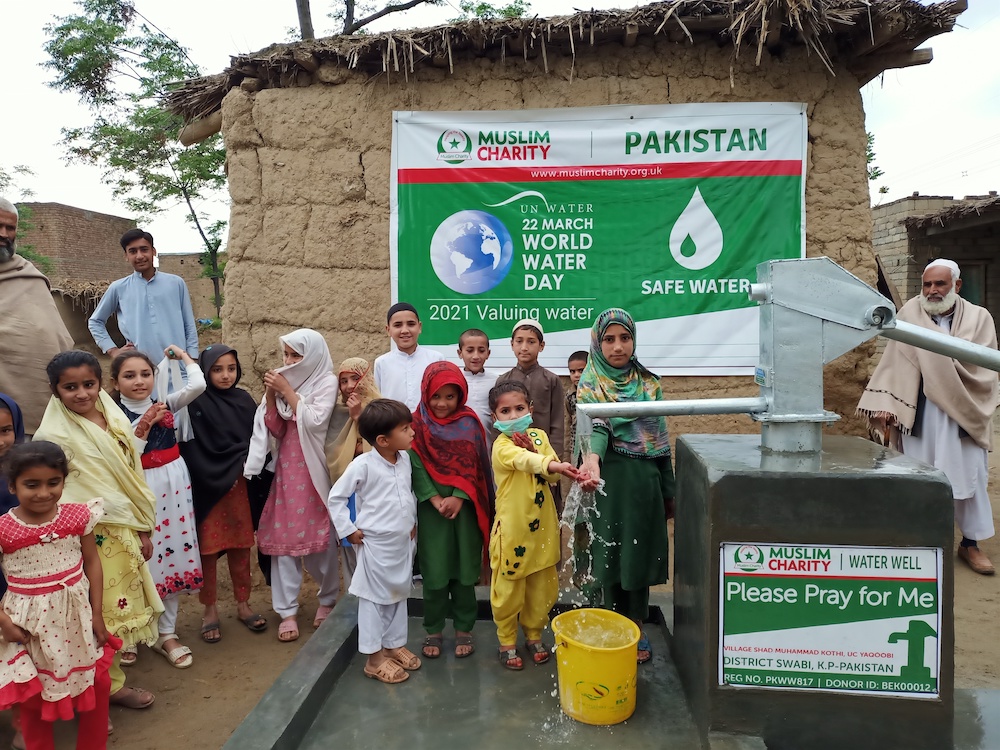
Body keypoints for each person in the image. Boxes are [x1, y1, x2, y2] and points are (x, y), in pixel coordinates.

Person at [33, 350, 161, 711]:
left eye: (88, 384)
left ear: (100, 383)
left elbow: (130, 473)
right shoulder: (53, 435)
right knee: (91, 617)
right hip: (86, 539)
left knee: (114, 616)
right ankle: (93, 696)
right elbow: (61, 494)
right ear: (55, 390)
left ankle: (111, 686)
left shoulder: (113, 414)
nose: (81, 393)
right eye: (69, 387)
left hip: (123, 530)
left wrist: (141, 527)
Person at [859, 259, 999, 575]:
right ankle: (919, 541)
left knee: (967, 477)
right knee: (915, 476)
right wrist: (887, 404)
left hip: (962, 412)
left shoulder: (979, 318)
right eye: (927, 285)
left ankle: (970, 544)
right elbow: (894, 362)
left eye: (940, 284)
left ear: (957, 286)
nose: (933, 291)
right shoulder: (909, 314)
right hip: (919, 411)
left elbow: (986, 370)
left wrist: (948, 378)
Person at [0, 442, 121, 750]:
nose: (44, 492)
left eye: (53, 482)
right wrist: (3, 622)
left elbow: (92, 562)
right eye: (32, 484)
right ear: (12, 486)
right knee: (34, 696)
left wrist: (96, 613)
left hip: (77, 618)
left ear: (64, 481)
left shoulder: (78, 516)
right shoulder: (3, 529)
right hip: (29, 626)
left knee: (98, 682)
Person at [577, 309, 673, 665]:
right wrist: (593, 461)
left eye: (624, 338)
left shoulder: (649, 384)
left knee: (637, 557)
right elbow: (598, 426)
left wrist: (668, 490)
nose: (617, 346)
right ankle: (607, 625)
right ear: (597, 342)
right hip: (605, 482)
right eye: (609, 339)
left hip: (643, 486)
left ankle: (635, 627)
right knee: (606, 556)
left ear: (633, 340)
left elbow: (660, 439)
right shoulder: (590, 383)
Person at [245, 330, 341, 642]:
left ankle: (327, 599)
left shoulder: (326, 381)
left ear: (311, 355)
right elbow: (273, 427)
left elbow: (315, 421)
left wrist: (286, 390)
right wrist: (272, 396)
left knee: (321, 543)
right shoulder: (286, 385)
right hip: (286, 476)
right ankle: (286, 610)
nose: (288, 362)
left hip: (315, 474)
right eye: (286, 355)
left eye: (295, 356)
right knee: (283, 546)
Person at [112, 348, 206, 665]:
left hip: (174, 485)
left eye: (145, 374)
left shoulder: (165, 402)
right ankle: (133, 633)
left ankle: (166, 633)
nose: (139, 381)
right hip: (136, 487)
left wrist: (182, 356)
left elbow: (198, 386)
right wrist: (144, 425)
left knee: (171, 553)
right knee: (136, 558)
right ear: (114, 382)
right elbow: (122, 457)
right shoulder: (110, 416)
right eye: (129, 375)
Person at [327, 399, 422, 684]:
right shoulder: (363, 465)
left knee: (398, 595)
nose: (412, 433)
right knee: (373, 601)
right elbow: (336, 498)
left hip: (401, 544)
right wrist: (348, 529)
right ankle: (373, 658)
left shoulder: (404, 459)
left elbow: (407, 494)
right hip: (375, 546)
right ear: (382, 440)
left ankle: (393, 645)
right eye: (405, 429)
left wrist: (411, 521)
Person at [180, 345, 268, 642]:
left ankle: (244, 605)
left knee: (241, 549)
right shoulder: (195, 403)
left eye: (231, 368)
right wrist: (218, 470)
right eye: (217, 369)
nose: (226, 375)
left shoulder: (244, 401)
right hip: (208, 489)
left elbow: (257, 440)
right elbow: (191, 447)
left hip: (239, 488)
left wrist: (243, 465)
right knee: (206, 551)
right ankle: (210, 611)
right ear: (205, 372)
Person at [489, 381, 579, 670]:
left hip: (542, 527)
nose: (514, 415)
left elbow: (552, 477)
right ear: (495, 417)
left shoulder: (539, 436)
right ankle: (506, 640)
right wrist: (549, 463)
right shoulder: (501, 446)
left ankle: (534, 633)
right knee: (509, 587)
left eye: (519, 408)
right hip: (513, 530)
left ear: (531, 408)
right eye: (505, 411)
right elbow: (524, 461)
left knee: (542, 586)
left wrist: (551, 463)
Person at [409, 362, 494, 659]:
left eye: (450, 396)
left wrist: (458, 496)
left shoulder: (470, 423)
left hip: (464, 509)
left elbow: (474, 466)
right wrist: (433, 498)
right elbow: (415, 464)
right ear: (425, 393)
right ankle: (432, 629)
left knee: (463, 571)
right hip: (431, 511)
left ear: (461, 396)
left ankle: (464, 629)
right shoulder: (415, 424)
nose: (443, 403)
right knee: (434, 571)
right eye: (436, 396)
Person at [0, 197, 74, 435]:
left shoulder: (29, 274)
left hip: (43, 405)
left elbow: (57, 337)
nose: (4, 234)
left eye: (10, 228)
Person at [88, 228, 198, 361]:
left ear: (153, 251)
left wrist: (192, 356)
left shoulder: (176, 283)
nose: (139, 256)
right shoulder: (118, 288)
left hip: (178, 366)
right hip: (140, 370)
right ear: (126, 256)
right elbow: (95, 321)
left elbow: (189, 323)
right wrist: (113, 350)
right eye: (133, 251)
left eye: (144, 249)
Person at [326, 357, 383, 579]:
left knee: (373, 552)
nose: (350, 386)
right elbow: (334, 452)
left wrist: (359, 418)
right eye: (344, 381)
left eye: (355, 378)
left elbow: (381, 451)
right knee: (350, 551)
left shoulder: (381, 408)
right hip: (347, 492)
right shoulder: (337, 413)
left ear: (367, 378)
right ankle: (351, 604)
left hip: (373, 493)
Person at [373, 303, 443, 411]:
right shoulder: (381, 363)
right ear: (388, 330)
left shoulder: (436, 359)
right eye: (398, 325)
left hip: (428, 425)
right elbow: (378, 400)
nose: (405, 330)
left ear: (419, 327)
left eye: (411, 324)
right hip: (393, 424)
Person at [458, 328, 497, 432]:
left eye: (481, 350)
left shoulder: (496, 381)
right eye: (470, 350)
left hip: (489, 444)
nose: (476, 356)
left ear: (488, 353)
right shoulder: (454, 380)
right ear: (460, 353)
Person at [566, 350, 588, 460]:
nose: (576, 375)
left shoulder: (598, 393)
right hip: (575, 446)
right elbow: (568, 421)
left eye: (581, 371)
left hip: (594, 444)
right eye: (572, 372)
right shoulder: (570, 395)